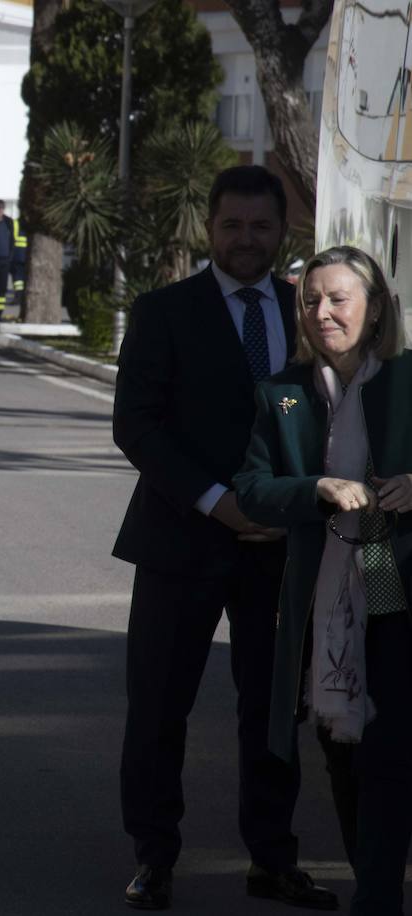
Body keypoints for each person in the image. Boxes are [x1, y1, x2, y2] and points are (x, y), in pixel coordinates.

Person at [112, 165, 337, 911]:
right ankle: (154, 856)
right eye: (232, 226)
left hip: (279, 552)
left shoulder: (307, 315)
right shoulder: (163, 311)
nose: (246, 240)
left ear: (283, 233)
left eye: (261, 227)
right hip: (181, 542)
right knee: (158, 707)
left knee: (273, 712)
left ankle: (272, 858)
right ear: (209, 229)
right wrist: (217, 503)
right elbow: (136, 424)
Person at [235, 246, 412, 916]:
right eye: (311, 300)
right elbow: (252, 489)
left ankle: (376, 896)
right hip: (324, 593)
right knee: (343, 748)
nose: (322, 312)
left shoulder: (405, 380)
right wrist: (317, 487)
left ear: (374, 310)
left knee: (387, 748)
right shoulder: (282, 393)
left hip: (389, 580)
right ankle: (375, 883)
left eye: (338, 299)